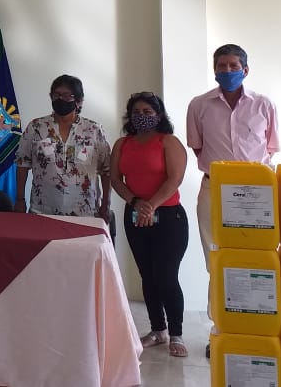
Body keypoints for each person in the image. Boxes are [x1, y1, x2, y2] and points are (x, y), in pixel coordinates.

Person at [186, 43, 279, 357]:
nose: (227, 71)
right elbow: (198, 148)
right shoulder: (199, 105)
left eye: (233, 66)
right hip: (214, 189)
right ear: (214, 70)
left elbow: (270, 148)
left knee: (256, 259)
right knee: (218, 262)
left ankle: (254, 328)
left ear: (245, 70)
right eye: (221, 66)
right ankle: (220, 330)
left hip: (257, 194)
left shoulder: (264, 105)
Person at [111, 92, 189, 358]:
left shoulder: (168, 142)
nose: (141, 116)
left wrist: (151, 205)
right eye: (136, 112)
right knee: (148, 275)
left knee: (166, 276)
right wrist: (136, 202)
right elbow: (116, 179)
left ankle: (176, 333)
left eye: (147, 112)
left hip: (168, 217)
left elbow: (174, 179)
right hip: (135, 214)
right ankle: (158, 330)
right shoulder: (122, 143)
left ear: (159, 115)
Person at [14, 74, 111, 220]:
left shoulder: (94, 130)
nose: (60, 99)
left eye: (66, 96)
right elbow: (22, 164)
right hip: (42, 210)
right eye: (56, 95)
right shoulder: (36, 127)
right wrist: (20, 200)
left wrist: (106, 204)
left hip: (85, 212)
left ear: (78, 100)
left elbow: (107, 170)